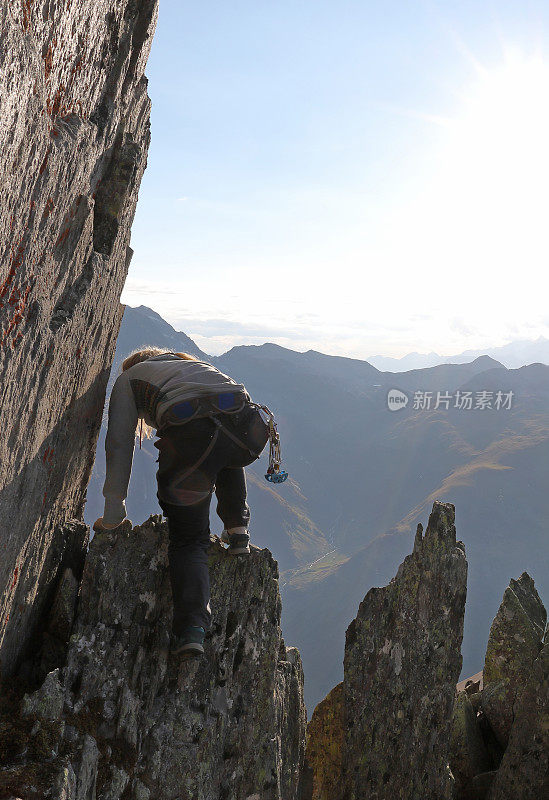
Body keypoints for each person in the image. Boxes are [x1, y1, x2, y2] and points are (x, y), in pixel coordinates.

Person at [93, 347, 270, 657]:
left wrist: (113, 514)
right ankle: (238, 529)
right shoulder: (199, 367)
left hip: (190, 438)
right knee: (222, 448)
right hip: (246, 430)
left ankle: (192, 628)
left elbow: (119, 445)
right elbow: (225, 429)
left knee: (189, 540)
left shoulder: (129, 379)